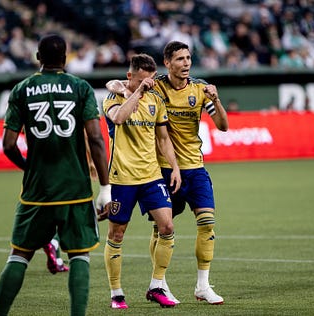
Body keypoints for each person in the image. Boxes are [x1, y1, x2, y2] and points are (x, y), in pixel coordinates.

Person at [0, 34, 111, 316]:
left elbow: (8, 145)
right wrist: (105, 187)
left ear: (38, 57)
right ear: (65, 56)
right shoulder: (80, 88)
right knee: (80, 254)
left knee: (19, 255)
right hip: (76, 190)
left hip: (37, 191)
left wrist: (27, 166)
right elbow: (95, 139)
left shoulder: (22, 89)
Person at [106, 40, 229, 305]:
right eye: (180, 59)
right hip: (161, 168)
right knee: (162, 228)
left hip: (194, 167)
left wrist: (216, 100)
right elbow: (117, 84)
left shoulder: (200, 88)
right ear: (168, 63)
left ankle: (202, 286)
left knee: (207, 222)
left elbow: (223, 126)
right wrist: (123, 89)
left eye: (188, 58)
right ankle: (159, 283)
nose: (186, 64)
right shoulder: (156, 85)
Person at [102, 53, 181, 309]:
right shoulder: (112, 98)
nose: (147, 85)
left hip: (151, 176)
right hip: (122, 178)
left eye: (150, 80)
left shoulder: (156, 101)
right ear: (129, 77)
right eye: (141, 80)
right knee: (117, 233)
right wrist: (133, 93)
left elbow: (163, 139)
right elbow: (119, 118)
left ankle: (157, 285)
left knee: (167, 227)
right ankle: (116, 292)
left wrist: (175, 168)